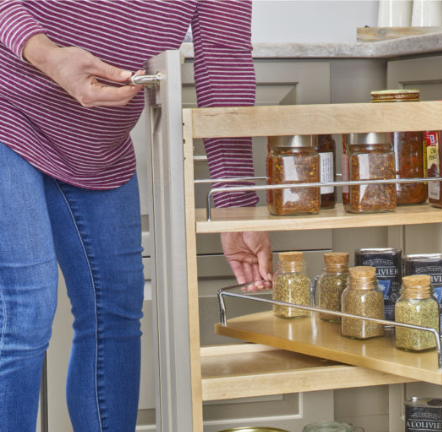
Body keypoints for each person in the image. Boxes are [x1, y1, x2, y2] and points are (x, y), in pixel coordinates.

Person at [0, 1, 271, 430]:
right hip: (6, 108)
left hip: (97, 143)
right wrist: (48, 54)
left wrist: (235, 205)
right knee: (25, 309)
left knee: (116, 315)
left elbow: (223, 59)